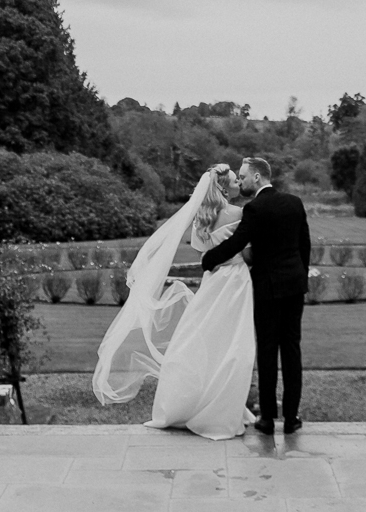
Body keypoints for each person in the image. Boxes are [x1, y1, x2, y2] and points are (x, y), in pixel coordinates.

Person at [92, 164, 256, 439]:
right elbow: (248, 248)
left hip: (212, 281)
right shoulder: (239, 213)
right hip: (235, 282)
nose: (239, 183)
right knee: (233, 344)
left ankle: (184, 404)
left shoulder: (201, 218)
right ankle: (223, 407)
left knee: (199, 340)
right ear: (225, 187)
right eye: (235, 181)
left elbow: (200, 248)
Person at [201, 156, 312, 434]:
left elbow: (236, 243)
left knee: (266, 352)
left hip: (268, 290)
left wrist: (208, 259)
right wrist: (299, 277)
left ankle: (266, 420)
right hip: (294, 287)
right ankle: (291, 418)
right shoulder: (294, 203)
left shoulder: (255, 209)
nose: (241, 181)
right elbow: (304, 246)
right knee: (292, 351)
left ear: (258, 178)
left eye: (243, 176)